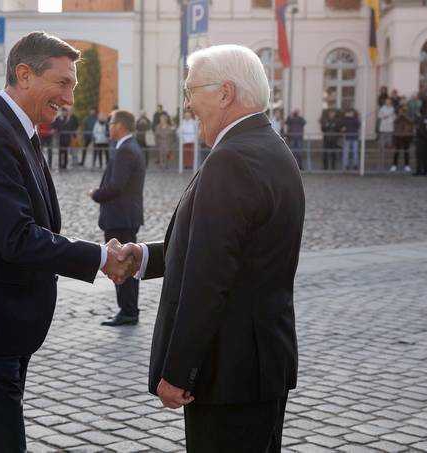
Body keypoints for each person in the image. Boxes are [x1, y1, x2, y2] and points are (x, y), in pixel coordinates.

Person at [0, 31, 133, 452]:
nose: (70, 98)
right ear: (24, 74)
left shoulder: (17, 130)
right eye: (62, 83)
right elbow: (17, 238)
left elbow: (37, 227)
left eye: (72, 85)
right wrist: (98, 257)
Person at [116, 44, 305, 453]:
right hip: (259, 366)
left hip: (228, 372)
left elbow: (209, 278)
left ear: (225, 93)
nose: (186, 104)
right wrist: (144, 256)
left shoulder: (232, 159)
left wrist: (179, 371)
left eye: (191, 91)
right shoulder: (269, 146)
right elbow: (219, 248)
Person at [89, 110, 146, 326]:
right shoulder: (125, 147)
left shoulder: (126, 150)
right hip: (123, 217)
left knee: (122, 264)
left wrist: (96, 194)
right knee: (125, 264)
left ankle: (128, 310)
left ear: (120, 125)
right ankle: (128, 309)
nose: (109, 126)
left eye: (111, 122)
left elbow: (116, 187)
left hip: (121, 217)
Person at [391, 106, 414, 173]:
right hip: (398, 136)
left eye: (405, 110)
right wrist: (400, 115)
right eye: (402, 110)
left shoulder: (409, 116)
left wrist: (405, 116)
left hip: (407, 136)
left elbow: (411, 122)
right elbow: (394, 122)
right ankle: (394, 165)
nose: (403, 111)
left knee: (406, 152)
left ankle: (407, 165)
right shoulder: (397, 117)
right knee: (396, 152)